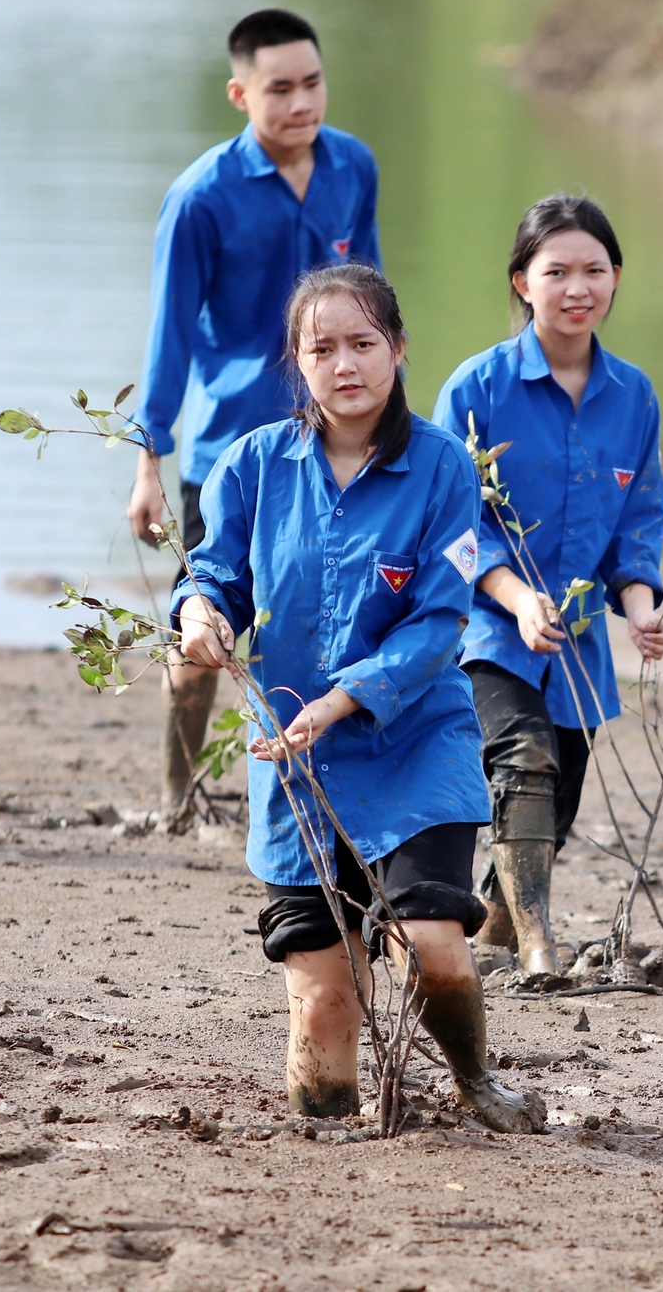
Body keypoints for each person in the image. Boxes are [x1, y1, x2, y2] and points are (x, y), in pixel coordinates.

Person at [174, 264, 541, 1131]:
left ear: (399, 349)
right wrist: (197, 614)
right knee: (322, 1021)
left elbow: (438, 619)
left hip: (414, 744)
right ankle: (337, 1110)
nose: (345, 364)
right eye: (322, 348)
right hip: (295, 765)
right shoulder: (251, 466)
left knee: (433, 942)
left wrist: (342, 701)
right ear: (296, 364)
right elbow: (214, 575)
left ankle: (473, 1076)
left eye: (364, 343)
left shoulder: (444, 468)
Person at [132, 8, 382, 823]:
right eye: (280, 88)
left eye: (313, 82)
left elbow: (372, 300)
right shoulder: (201, 197)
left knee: (326, 617)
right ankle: (181, 793)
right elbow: (168, 336)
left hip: (337, 439)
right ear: (240, 93)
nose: (301, 102)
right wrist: (148, 464)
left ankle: (317, 790)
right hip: (231, 448)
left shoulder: (353, 166)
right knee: (204, 625)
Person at [432, 195, 663, 975]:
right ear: (521, 283)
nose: (578, 288)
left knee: (554, 799)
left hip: (575, 642)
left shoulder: (633, 396)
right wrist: (516, 596)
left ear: (616, 279)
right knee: (524, 759)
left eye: (593, 271)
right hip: (485, 625)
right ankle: (539, 943)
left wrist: (640, 606)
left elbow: (637, 519)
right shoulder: (477, 388)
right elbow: (454, 526)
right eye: (556, 271)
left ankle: (492, 930)